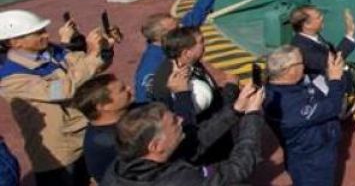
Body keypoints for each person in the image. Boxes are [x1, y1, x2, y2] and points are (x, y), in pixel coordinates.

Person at [0, 9, 112, 186]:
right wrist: (91, 56)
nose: (46, 35)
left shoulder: (53, 51)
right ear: (15, 42)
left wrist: (103, 49)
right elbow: (60, 91)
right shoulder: (11, 77)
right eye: (38, 33)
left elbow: (89, 67)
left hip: (83, 134)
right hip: (60, 154)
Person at [102, 85, 266, 186]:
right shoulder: (180, 180)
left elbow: (196, 141)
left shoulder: (120, 166)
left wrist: (235, 109)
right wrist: (252, 115)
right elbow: (238, 168)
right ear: (156, 146)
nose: (181, 120)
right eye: (173, 121)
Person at [74, 68, 195, 181]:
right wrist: (182, 95)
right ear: (104, 106)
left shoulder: (131, 112)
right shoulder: (110, 142)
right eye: (122, 90)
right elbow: (180, 142)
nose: (129, 88)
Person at [134, 0, 224, 103]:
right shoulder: (151, 66)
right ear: (162, 36)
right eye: (177, 27)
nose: (183, 27)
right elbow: (145, 101)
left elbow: (197, 13)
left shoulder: (175, 36)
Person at [149, 26, 237, 165]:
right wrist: (230, 90)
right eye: (201, 41)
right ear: (187, 52)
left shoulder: (189, 64)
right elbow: (189, 117)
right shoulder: (173, 82)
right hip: (208, 142)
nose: (204, 44)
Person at [263, 45, 347, 186]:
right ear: (289, 70)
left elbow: (317, 94)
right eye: (301, 63)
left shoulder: (285, 88)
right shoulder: (287, 104)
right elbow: (333, 107)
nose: (304, 66)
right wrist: (335, 79)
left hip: (315, 154)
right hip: (311, 163)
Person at [289, 4, 355, 77]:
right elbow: (332, 63)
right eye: (318, 17)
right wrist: (350, 32)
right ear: (306, 25)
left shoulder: (313, 37)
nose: (322, 18)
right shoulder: (303, 48)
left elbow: (331, 55)